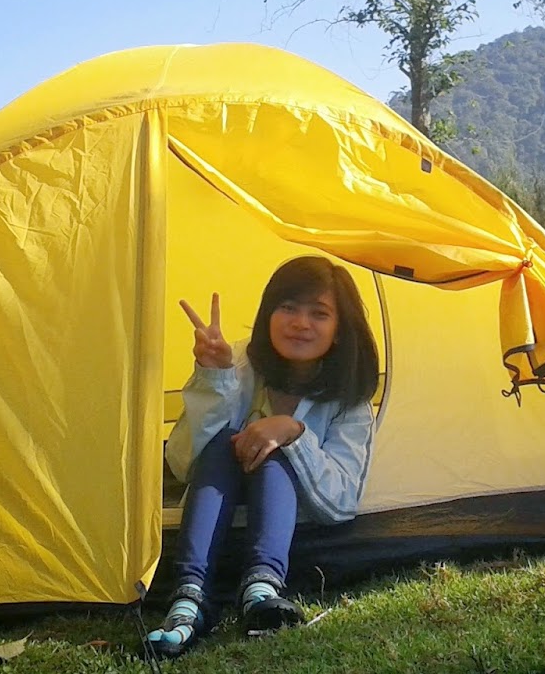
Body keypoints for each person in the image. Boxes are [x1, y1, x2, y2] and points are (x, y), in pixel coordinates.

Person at [145, 255, 380, 657]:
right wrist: (213, 377)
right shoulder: (236, 362)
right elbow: (182, 461)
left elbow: (341, 503)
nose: (300, 323)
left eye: (318, 313)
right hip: (212, 511)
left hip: (293, 526)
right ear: (268, 314)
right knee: (225, 442)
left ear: (339, 330)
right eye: (287, 307)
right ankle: (188, 598)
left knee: (275, 451)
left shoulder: (349, 402)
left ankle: (262, 589)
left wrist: (294, 433)